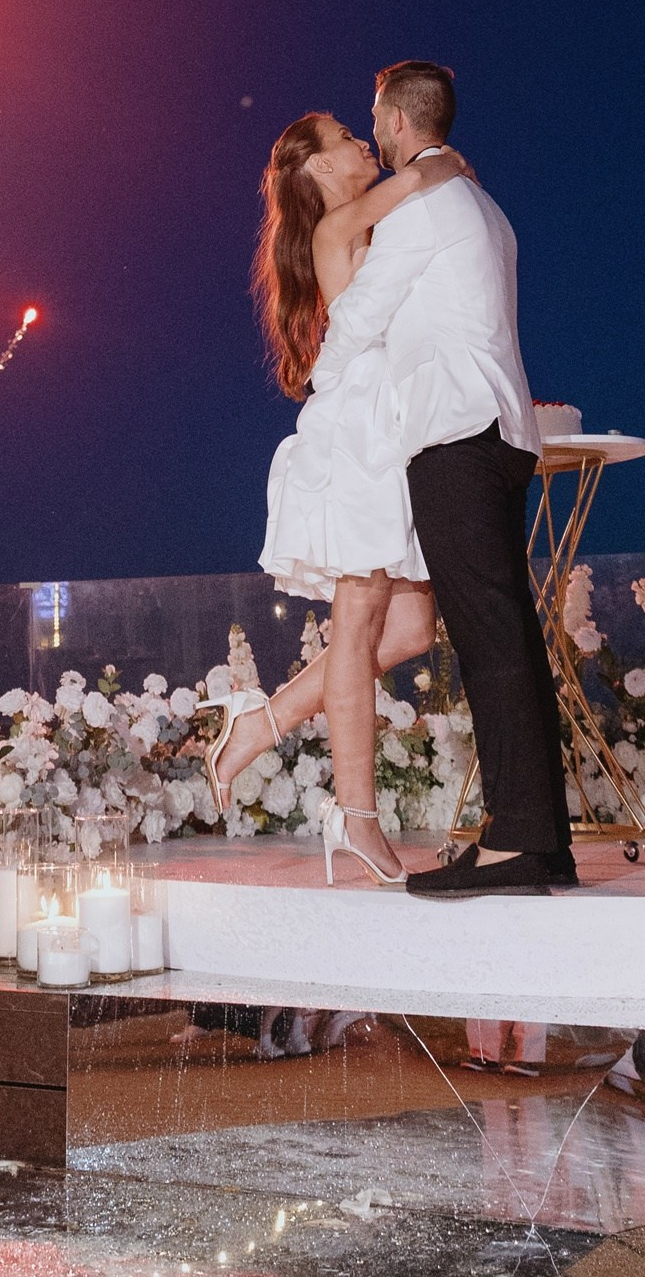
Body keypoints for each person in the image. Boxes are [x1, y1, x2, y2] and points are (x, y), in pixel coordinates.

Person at [201, 112, 464, 884]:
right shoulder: (344, 222)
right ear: (316, 170)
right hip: (360, 438)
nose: (361, 145)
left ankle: (265, 719)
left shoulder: (359, 223)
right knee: (356, 628)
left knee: (412, 624)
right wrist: (436, 156)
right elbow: (429, 172)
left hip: (391, 429)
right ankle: (358, 819)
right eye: (346, 138)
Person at [358, 58, 574, 898]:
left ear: (397, 120)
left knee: (489, 642)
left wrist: (323, 378)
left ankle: (515, 840)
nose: (374, 131)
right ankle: (544, 840)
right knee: (510, 635)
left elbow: (367, 311)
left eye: (376, 118)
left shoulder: (422, 203)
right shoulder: (484, 205)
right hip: (500, 431)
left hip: (454, 434)